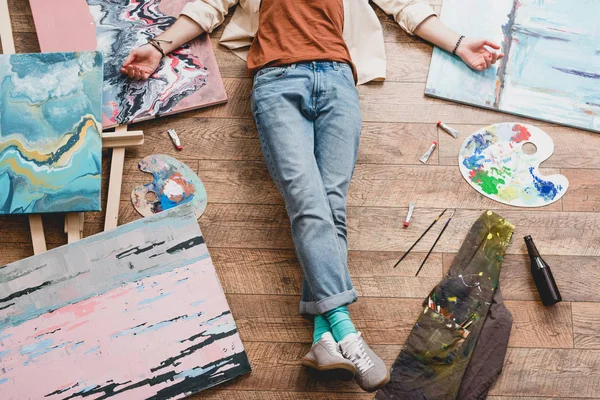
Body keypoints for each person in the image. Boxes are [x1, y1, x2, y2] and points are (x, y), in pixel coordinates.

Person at [121, 0, 502, 392]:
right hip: (277, 82)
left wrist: (459, 44)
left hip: (339, 80)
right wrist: (159, 46)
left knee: (330, 205)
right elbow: (208, 6)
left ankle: (323, 340)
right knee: (306, 199)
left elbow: (403, 6)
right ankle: (345, 330)